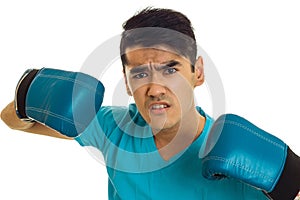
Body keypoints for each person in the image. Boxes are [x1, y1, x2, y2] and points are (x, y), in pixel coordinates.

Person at [1, 7, 299, 200]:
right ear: (127, 83)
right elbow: (11, 120)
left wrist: (292, 178)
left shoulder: (235, 159)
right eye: (141, 73)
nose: (155, 88)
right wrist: (31, 92)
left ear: (197, 72)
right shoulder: (112, 128)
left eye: (171, 69)